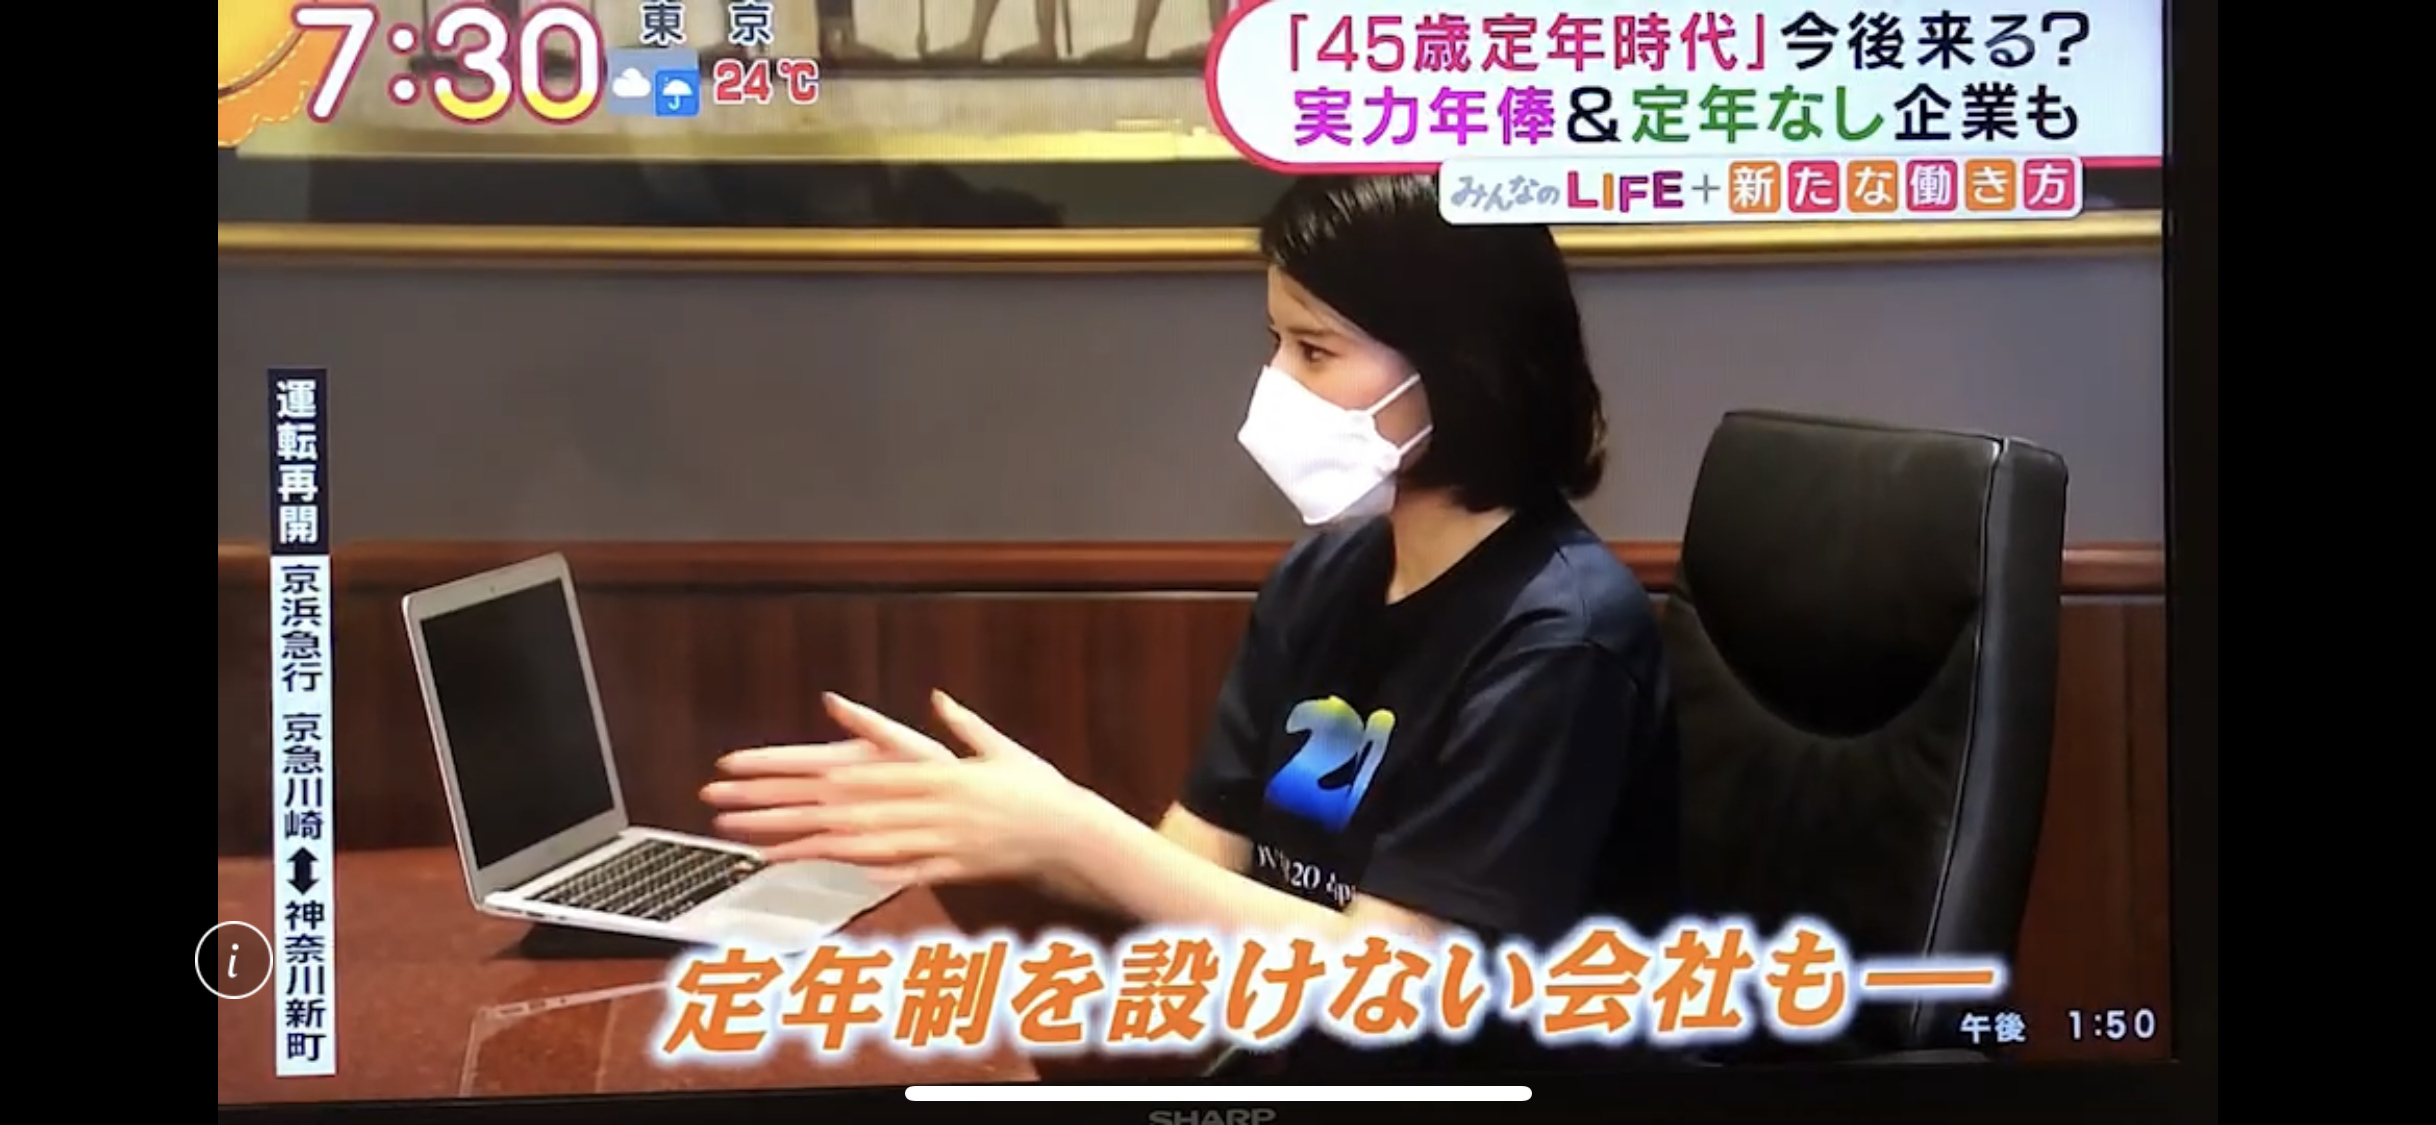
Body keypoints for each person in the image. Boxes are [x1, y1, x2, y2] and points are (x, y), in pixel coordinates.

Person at [699, 173, 1683, 1075]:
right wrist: (1007, 820)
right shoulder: (1327, 577)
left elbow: (1400, 981)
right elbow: (1198, 865)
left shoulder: (1562, 637)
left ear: (1460, 366)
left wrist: (1074, 832)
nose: (1276, 382)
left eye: (1314, 350)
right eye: (1275, 342)